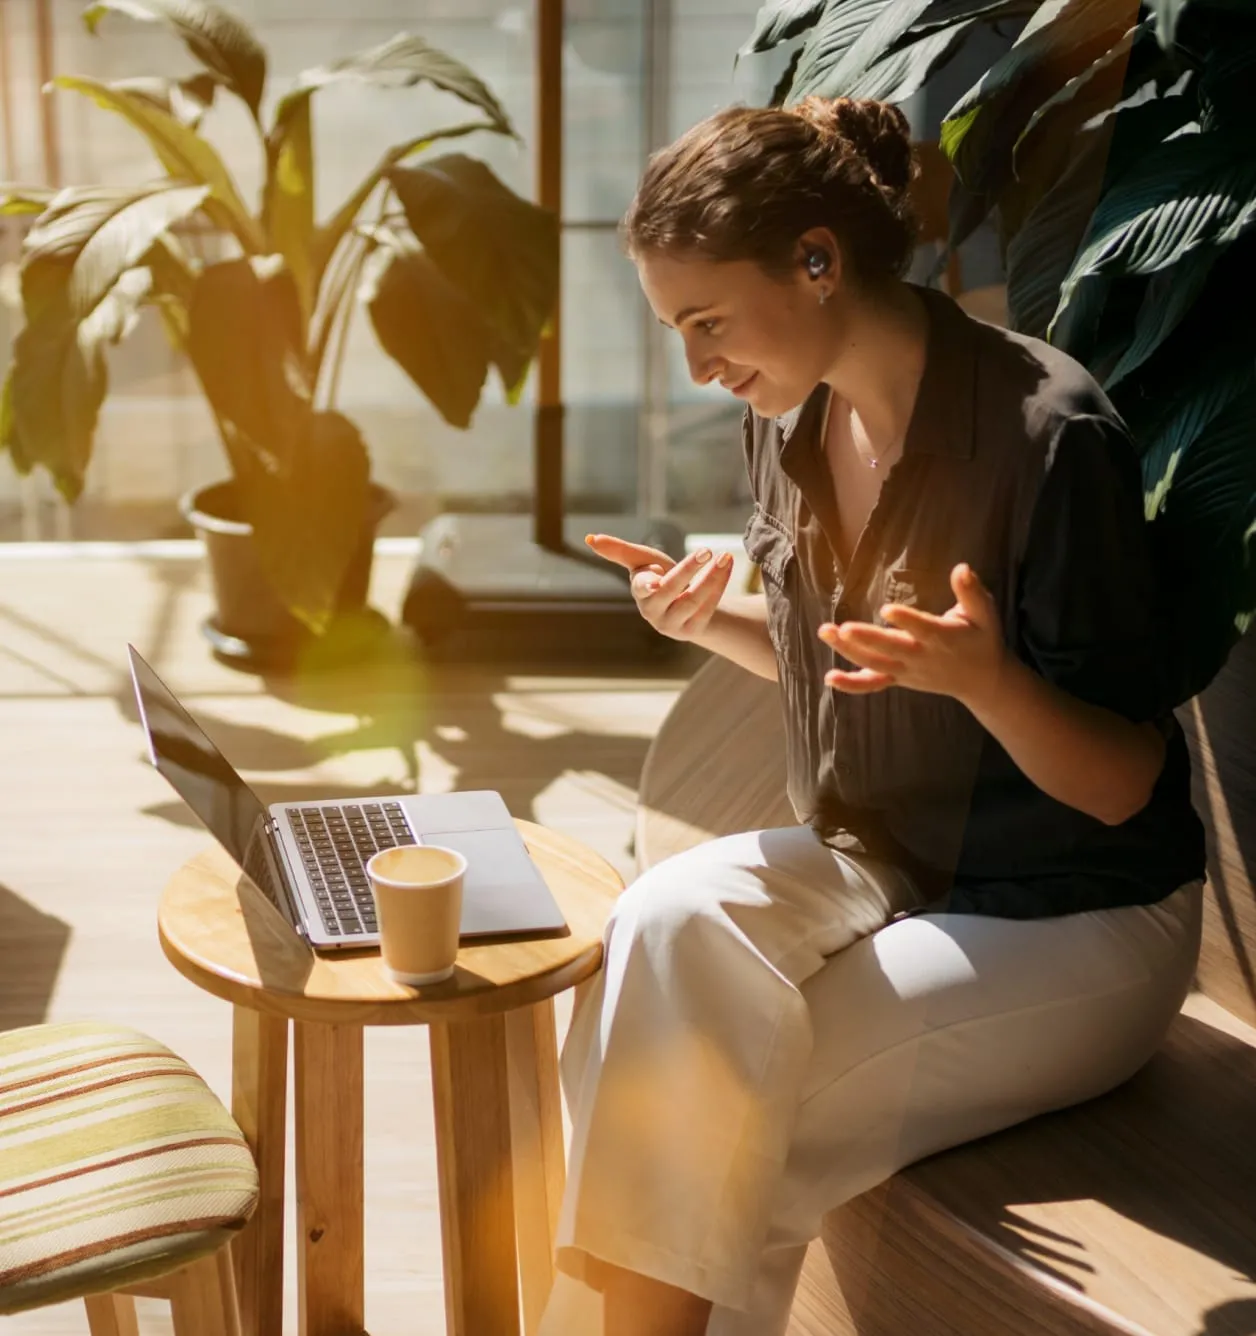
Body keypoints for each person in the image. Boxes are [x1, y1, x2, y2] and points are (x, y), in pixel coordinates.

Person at [538, 96, 1206, 1336]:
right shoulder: (788, 416)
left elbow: (1120, 788)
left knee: (727, 1113)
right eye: (675, 332)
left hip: (1076, 909)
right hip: (886, 859)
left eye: (706, 322)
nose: (696, 368)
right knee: (657, 919)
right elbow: (850, 666)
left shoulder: (1043, 436)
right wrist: (712, 621)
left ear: (816, 259)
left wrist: (990, 683)